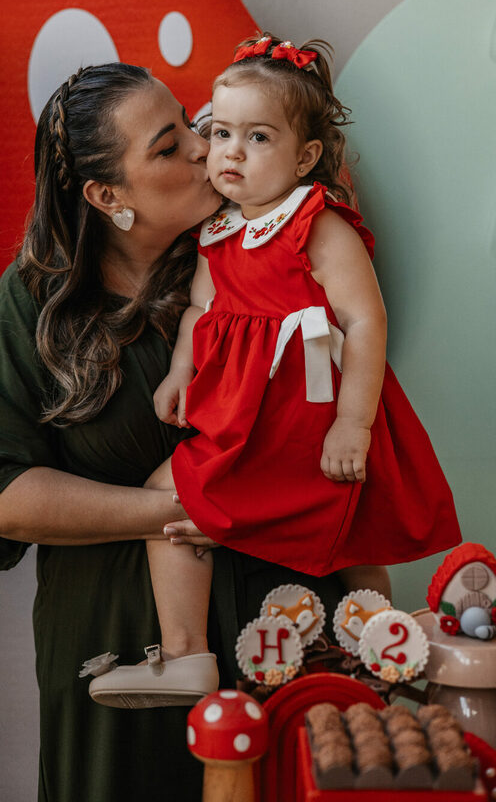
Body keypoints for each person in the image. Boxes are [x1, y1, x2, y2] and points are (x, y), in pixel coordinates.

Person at [0, 61, 348, 802]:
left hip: (286, 634)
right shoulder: (40, 301)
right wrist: (181, 509)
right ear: (108, 196)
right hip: (117, 664)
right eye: (169, 147)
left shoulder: (267, 247)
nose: (205, 147)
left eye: (195, 124)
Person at [88, 36, 461, 708]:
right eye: (220, 132)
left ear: (305, 157)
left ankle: (380, 634)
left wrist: (353, 423)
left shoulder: (317, 225)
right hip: (244, 420)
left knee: (352, 522)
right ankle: (185, 655)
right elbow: (201, 309)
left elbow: (364, 321)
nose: (230, 152)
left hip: (308, 417)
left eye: (257, 137)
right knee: (168, 498)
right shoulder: (219, 231)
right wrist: (180, 371)